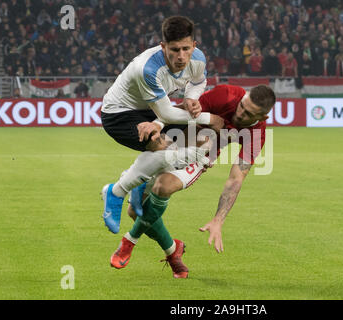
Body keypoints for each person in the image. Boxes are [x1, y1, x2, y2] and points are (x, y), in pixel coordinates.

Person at [109, 84, 276, 278]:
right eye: (242, 106)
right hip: (173, 143)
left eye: (248, 114)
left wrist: (218, 220)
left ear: (262, 118)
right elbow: (184, 109)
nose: (240, 114)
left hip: (200, 157)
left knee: (163, 186)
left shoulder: (257, 135)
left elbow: (236, 178)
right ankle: (173, 250)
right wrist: (157, 124)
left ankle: (129, 241)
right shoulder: (226, 94)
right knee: (135, 212)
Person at [100, 16, 224, 236]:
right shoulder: (147, 68)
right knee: (164, 147)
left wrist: (191, 98)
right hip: (119, 113)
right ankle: (115, 192)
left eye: (186, 49)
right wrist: (208, 118)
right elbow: (166, 113)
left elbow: (198, 82)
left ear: (194, 46)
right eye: (174, 50)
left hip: (149, 109)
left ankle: (140, 184)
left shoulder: (198, 59)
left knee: (179, 147)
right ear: (163, 46)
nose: (181, 56)